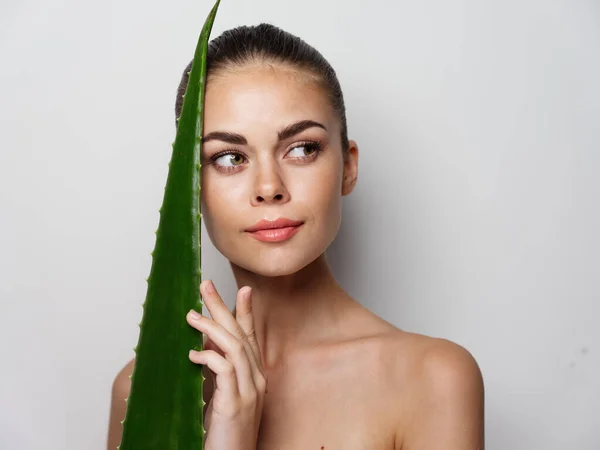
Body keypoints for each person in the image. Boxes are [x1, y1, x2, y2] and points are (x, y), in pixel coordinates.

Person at [106, 23, 485, 450]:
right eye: (229, 157)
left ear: (348, 166)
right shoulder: (143, 389)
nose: (269, 186)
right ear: (190, 186)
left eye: (302, 148)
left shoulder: (432, 379)